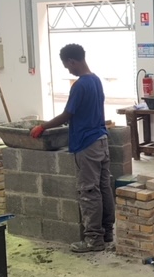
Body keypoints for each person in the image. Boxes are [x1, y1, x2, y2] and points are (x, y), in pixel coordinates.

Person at [30, 44, 115, 253]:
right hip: (101, 141)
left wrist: (43, 126)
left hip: (87, 144)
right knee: (103, 188)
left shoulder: (80, 85)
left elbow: (67, 115)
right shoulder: (96, 80)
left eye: (67, 66)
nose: (68, 70)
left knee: (89, 191)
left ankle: (93, 240)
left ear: (72, 61)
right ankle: (107, 232)